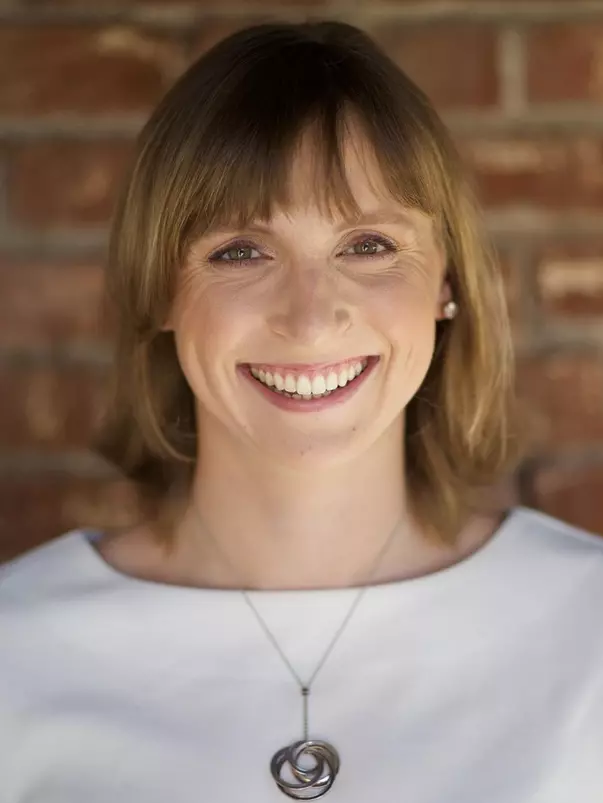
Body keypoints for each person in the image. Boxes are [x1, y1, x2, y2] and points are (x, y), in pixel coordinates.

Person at [1, 19, 602, 803]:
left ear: (445, 284)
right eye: (240, 252)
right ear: (160, 291)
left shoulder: (586, 625)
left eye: (368, 245)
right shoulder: (18, 650)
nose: (311, 317)